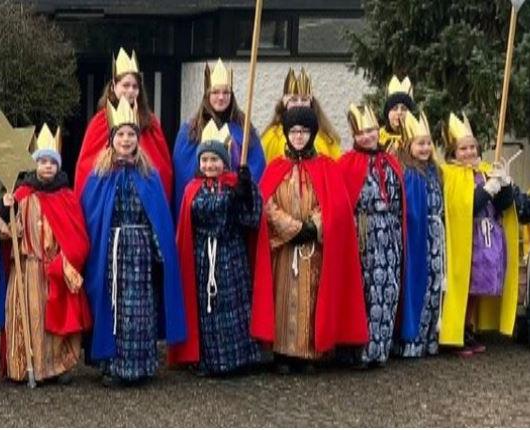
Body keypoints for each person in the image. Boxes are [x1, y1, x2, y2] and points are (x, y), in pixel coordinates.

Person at [250, 107, 368, 374]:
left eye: (304, 131)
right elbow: (266, 204)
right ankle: (282, 353)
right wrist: (292, 227)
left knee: (311, 298)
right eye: (294, 131)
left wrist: (312, 226)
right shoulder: (276, 167)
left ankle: (308, 352)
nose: (299, 136)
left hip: (312, 248)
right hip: (283, 248)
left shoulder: (326, 167)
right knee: (282, 296)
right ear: (286, 134)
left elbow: (335, 205)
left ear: (313, 133)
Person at [80, 98, 187, 386]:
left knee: (140, 310)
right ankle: (113, 366)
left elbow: (158, 218)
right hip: (110, 250)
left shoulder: (148, 175)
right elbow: (91, 216)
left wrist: (159, 251)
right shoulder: (99, 175)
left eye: (130, 135)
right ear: (112, 139)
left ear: (137, 140)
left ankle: (140, 366)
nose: (126, 140)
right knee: (113, 305)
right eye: (121, 135)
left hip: (140, 251)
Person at [0, 125, 90, 384]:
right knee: (26, 318)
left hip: (54, 270)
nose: (47, 166)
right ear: (34, 164)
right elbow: (6, 232)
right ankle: (23, 367)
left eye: (52, 162)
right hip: (26, 270)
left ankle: (56, 367)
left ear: (58, 166)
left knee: (53, 322)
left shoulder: (67, 196)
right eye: (42, 161)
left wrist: (66, 260)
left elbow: (76, 235)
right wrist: (5, 209)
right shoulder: (22, 194)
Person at [172, 120, 262, 375]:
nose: (210, 165)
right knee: (207, 309)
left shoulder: (237, 184)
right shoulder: (193, 190)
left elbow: (252, 218)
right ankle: (211, 361)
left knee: (235, 306)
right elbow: (201, 214)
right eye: (205, 160)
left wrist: (248, 193)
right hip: (204, 256)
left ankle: (238, 359)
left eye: (215, 160)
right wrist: (230, 200)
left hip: (232, 256)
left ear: (225, 161)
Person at [439, 113, 519, 356]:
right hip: (466, 239)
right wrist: (487, 189)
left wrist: (503, 184)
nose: (470, 152)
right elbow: (467, 206)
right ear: (453, 152)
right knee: (464, 284)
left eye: (473, 147)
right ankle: (457, 331)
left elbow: (503, 206)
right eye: (463, 148)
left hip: (487, 240)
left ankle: (469, 326)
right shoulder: (450, 174)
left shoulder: (484, 170)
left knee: (477, 287)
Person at [337, 104, 405, 368]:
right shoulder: (346, 164)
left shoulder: (391, 163)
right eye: (361, 132)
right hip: (362, 232)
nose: (367, 136)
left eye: (371, 130)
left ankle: (378, 350)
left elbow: (400, 201)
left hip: (389, 232)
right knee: (363, 291)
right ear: (353, 136)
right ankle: (357, 350)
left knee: (386, 291)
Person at [74, 48, 173, 202]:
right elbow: (86, 170)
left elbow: (162, 169)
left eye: (135, 86)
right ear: (114, 86)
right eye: (125, 85)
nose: (130, 91)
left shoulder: (150, 122)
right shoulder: (99, 123)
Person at [173, 59, 266, 211]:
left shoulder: (244, 129)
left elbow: (257, 167)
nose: (221, 97)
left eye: (226, 92)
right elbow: (183, 175)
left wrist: (243, 183)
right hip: (201, 209)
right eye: (215, 92)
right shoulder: (189, 131)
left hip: (234, 209)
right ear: (207, 95)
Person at [395, 111, 444, 358]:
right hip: (420, 236)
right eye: (420, 143)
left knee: (435, 285)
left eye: (428, 143)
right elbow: (412, 211)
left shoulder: (435, 171)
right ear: (408, 145)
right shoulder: (411, 173)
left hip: (436, 235)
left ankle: (429, 339)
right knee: (419, 284)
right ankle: (412, 341)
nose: (425, 148)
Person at [261, 68, 341, 162]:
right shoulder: (272, 136)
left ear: (311, 102)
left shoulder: (325, 135)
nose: (299, 104)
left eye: (304, 100)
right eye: (294, 100)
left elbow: (336, 166)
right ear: (284, 103)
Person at [379, 76, 416, 153]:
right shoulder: (377, 138)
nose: (399, 112)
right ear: (388, 113)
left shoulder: (417, 137)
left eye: (404, 109)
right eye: (395, 108)